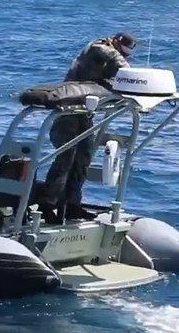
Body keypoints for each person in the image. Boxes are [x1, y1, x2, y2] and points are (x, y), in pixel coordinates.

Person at [40, 32, 136, 224]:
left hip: (84, 111)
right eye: (123, 52)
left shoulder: (111, 54)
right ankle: (48, 204)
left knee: (84, 155)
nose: (124, 56)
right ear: (116, 42)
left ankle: (72, 204)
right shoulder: (99, 48)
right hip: (69, 109)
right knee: (66, 157)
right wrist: (135, 77)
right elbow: (120, 64)